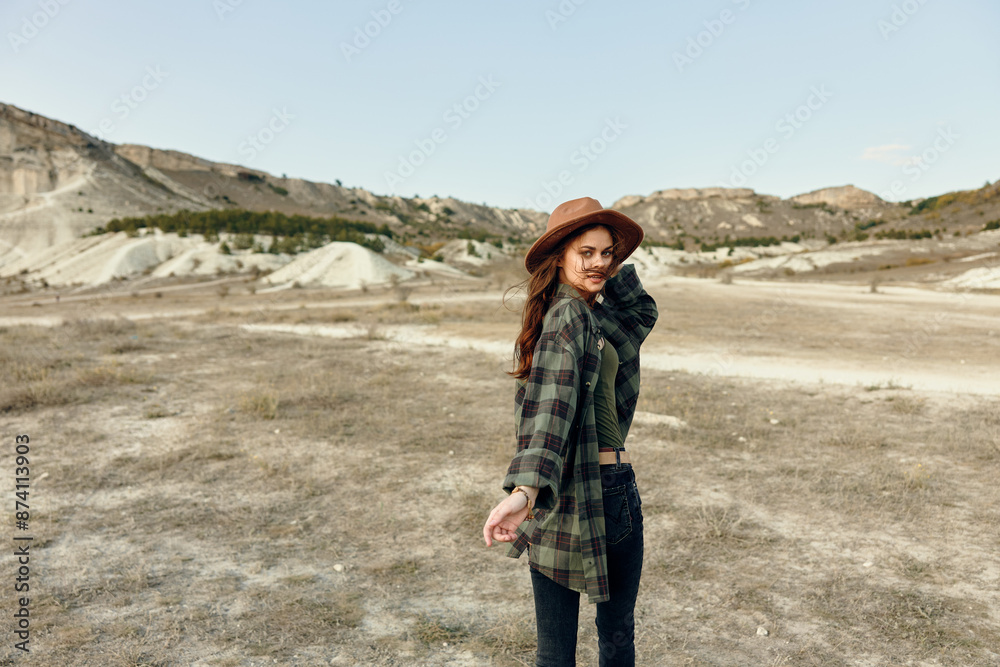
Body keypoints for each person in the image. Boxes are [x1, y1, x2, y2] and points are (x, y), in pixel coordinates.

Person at [483, 196, 659, 666]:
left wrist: (602, 268)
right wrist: (525, 491)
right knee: (601, 641)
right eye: (586, 252)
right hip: (580, 491)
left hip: (608, 490)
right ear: (559, 254)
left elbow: (640, 313)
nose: (600, 262)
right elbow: (552, 407)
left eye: (608, 253)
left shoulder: (590, 315)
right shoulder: (568, 316)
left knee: (572, 647)